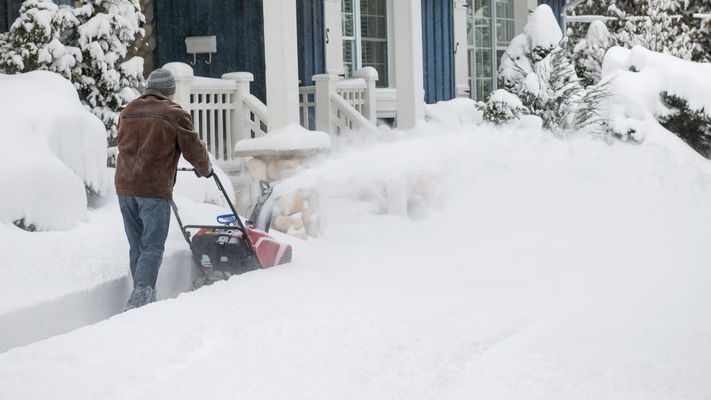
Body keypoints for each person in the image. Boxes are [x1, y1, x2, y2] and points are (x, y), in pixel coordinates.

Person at [115, 68, 212, 310]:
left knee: (137, 244)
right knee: (153, 245)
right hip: (153, 188)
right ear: (170, 91)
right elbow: (194, 148)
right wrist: (205, 168)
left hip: (125, 187)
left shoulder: (128, 111)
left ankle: (144, 294)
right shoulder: (174, 114)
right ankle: (141, 297)